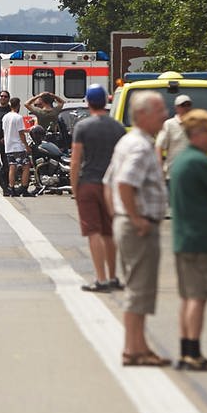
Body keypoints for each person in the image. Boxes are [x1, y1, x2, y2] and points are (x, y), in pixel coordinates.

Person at [104, 90, 170, 367]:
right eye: (159, 111)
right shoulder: (141, 147)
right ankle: (133, 349)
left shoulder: (127, 141)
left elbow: (108, 183)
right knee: (138, 290)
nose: (165, 116)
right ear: (142, 115)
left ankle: (139, 346)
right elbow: (123, 183)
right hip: (138, 224)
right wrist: (135, 217)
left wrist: (117, 214)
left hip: (127, 221)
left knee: (138, 288)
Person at [169, 109, 207, 371]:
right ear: (198, 133)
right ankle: (194, 352)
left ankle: (185, 350)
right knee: (198, 298)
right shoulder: (202, 163)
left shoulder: (180, 161)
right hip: (202, 238)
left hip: (183, 238)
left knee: (188, 297)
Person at [70, 84, 125, 293]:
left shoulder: (83, 127)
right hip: (111, 185)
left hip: (89, 183)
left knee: (93, 231)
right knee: (109, 232)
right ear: (106, 101)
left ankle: (100, 279)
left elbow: (75, 161)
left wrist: (75, 188)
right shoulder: (118, 127)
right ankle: (112, 276)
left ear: (87, 102)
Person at [154, 94, 194, 179]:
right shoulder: (169, 124)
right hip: (173, 174)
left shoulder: (196, 124)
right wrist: (159, 168)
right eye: (183, 105)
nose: (186, 108)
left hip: (192, 174)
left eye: (188, 105)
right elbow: (159, 146)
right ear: (177, 108)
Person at [2, 98, 30, 196]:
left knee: (12, 166)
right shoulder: (18, 117)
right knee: (26, 166)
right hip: (18, 146)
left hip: (9, 146)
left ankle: (11, 188)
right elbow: (21, 133)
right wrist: (26, 146)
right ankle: (24, 188)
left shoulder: (5, 117)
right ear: (18, 105)